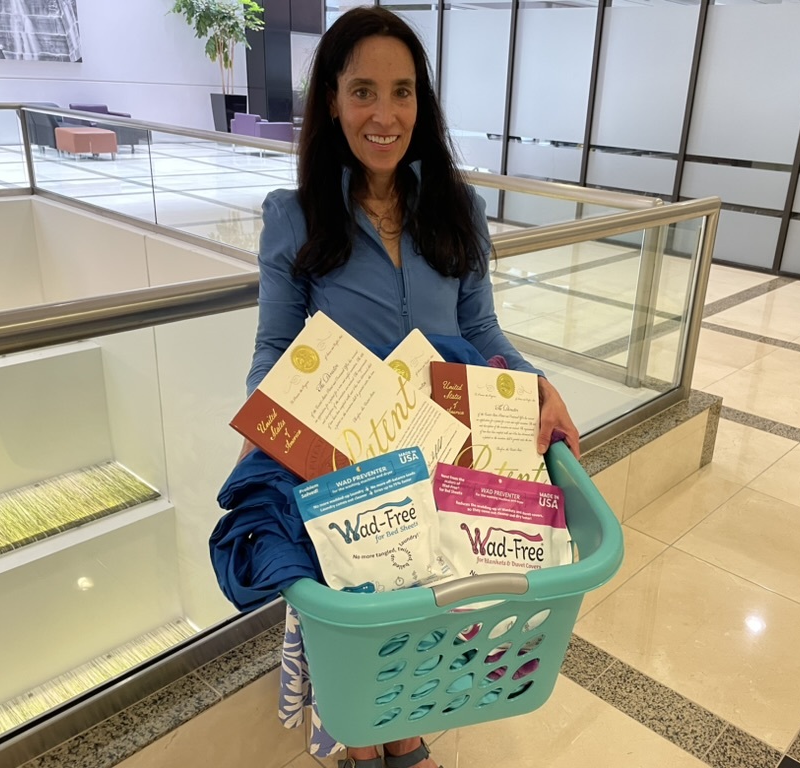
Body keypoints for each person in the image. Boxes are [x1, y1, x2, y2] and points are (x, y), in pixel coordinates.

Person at [241, 7, 580, 767]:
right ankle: (374, 748)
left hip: (441, 463)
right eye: (363, 91)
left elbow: (483, 331)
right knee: (365, 638)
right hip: (350, 477)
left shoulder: (457, 210)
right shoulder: (293, 218)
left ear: (420, 103)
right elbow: (272, 355)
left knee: (426, 626)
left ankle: (403, 738)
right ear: (332, 99)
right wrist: (275, 430)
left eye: (402, 92)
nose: (384, 115)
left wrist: (539, 383)